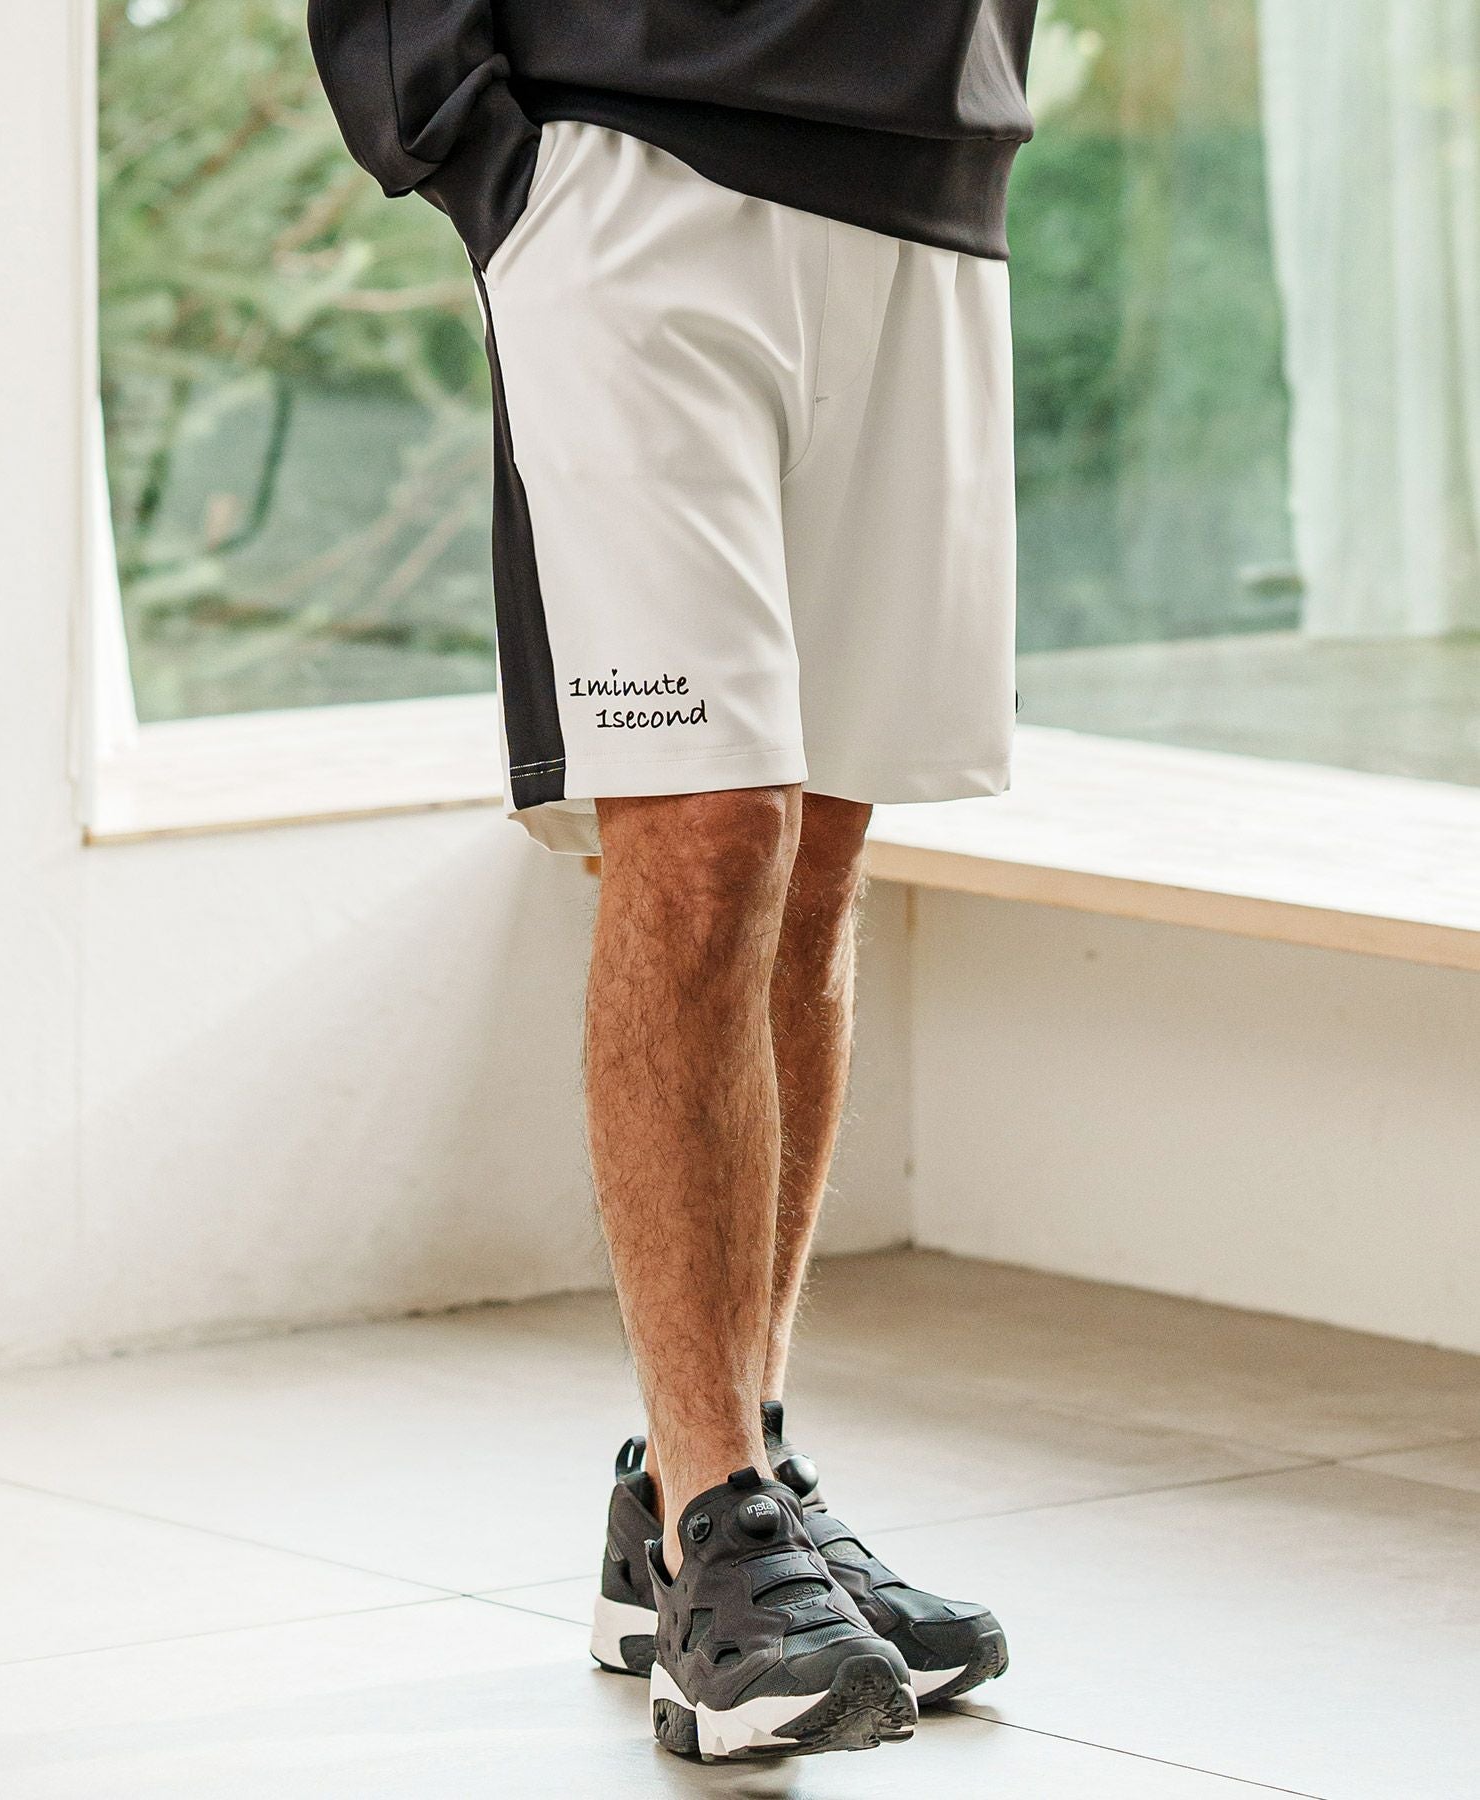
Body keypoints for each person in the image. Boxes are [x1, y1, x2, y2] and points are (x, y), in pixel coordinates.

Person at [310, 0, 1039, 1764]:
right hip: (626, 156)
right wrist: (463, 138)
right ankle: (716, 1515)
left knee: (822, 850)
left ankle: (724, 1499)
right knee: (703, 833)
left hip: (930, 177)